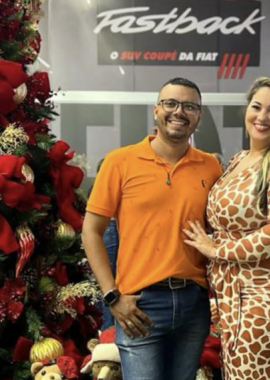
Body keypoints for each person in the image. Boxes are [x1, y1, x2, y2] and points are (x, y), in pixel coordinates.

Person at [82, 77, 222, 380]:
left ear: (199, 115)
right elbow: (91, 231)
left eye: (189, 106)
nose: (179, 111)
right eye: (170, 103)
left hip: (193, 304)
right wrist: (111, 297)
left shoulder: (211, 166)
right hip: (139, 306)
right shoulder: (120, 161)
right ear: (156, 109)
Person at [184, 76, 270, 380]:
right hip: (239, 294)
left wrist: (218, 249)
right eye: (257, 106)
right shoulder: (240, 159)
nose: (262, 116)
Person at [88, 158, 119, 331]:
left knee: (105, 280)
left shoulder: (96, 189)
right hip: (110, 229)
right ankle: (107, 328)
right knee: (108, 280)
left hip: (108, 230)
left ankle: (105, 328)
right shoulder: (100, 189)